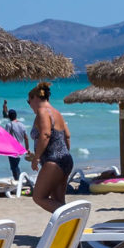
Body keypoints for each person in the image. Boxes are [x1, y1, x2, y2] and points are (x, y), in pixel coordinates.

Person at [27, 82, 73, 213]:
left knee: (39, 197)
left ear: (34, 98)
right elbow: (67, 136)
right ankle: (66, 230)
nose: (30, 106)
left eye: (28, 101)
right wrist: (63, 155)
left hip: (53, 161)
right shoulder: (57, 113)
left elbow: (45, 134)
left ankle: (73, 217)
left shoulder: (42, 112)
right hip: (65, 159)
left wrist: (36, 158)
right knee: (58, 201)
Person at [3, 109, 30, 180]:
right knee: (16, 165)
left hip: (12, 149)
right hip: (20, 149)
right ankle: (19, 181)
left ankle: (18, 182)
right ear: (16, 116)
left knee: (14, 167)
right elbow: (26, 138)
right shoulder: (22, 125)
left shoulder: (9, 125)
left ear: (9, 116)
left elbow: (6, 137)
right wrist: (27, 149)